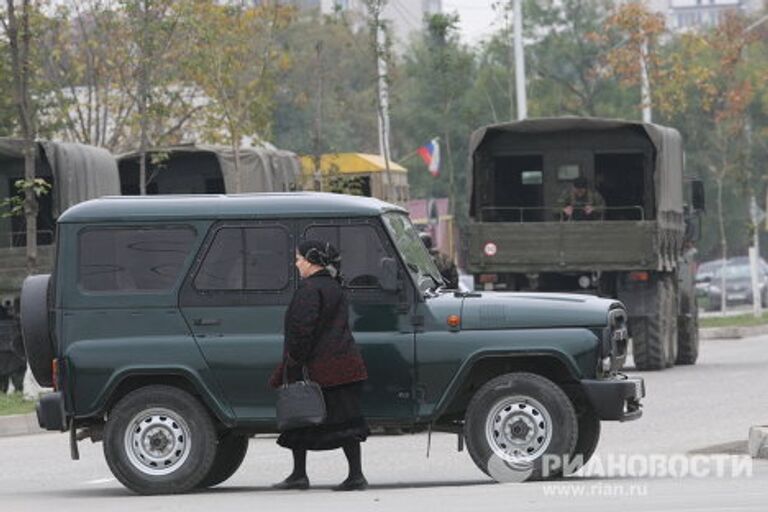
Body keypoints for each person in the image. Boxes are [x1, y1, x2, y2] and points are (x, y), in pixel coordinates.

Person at [269, 240, 370, 491]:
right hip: (344, 364)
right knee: (347, 422)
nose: (296, 263)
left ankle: (300, 475)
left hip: (320, 367)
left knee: (299, 416)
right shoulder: (334, 287)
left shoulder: (310, 289)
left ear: (312, 261)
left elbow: (302, 329)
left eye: (299, 258)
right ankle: (354, 474)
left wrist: (294, 360)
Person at [0, 302, 25, 394]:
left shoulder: (15, 322)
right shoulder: (16, 322)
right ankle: (18, 393)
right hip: (15, 356)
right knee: (17, 382)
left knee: (3, 385)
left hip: (12, 356)